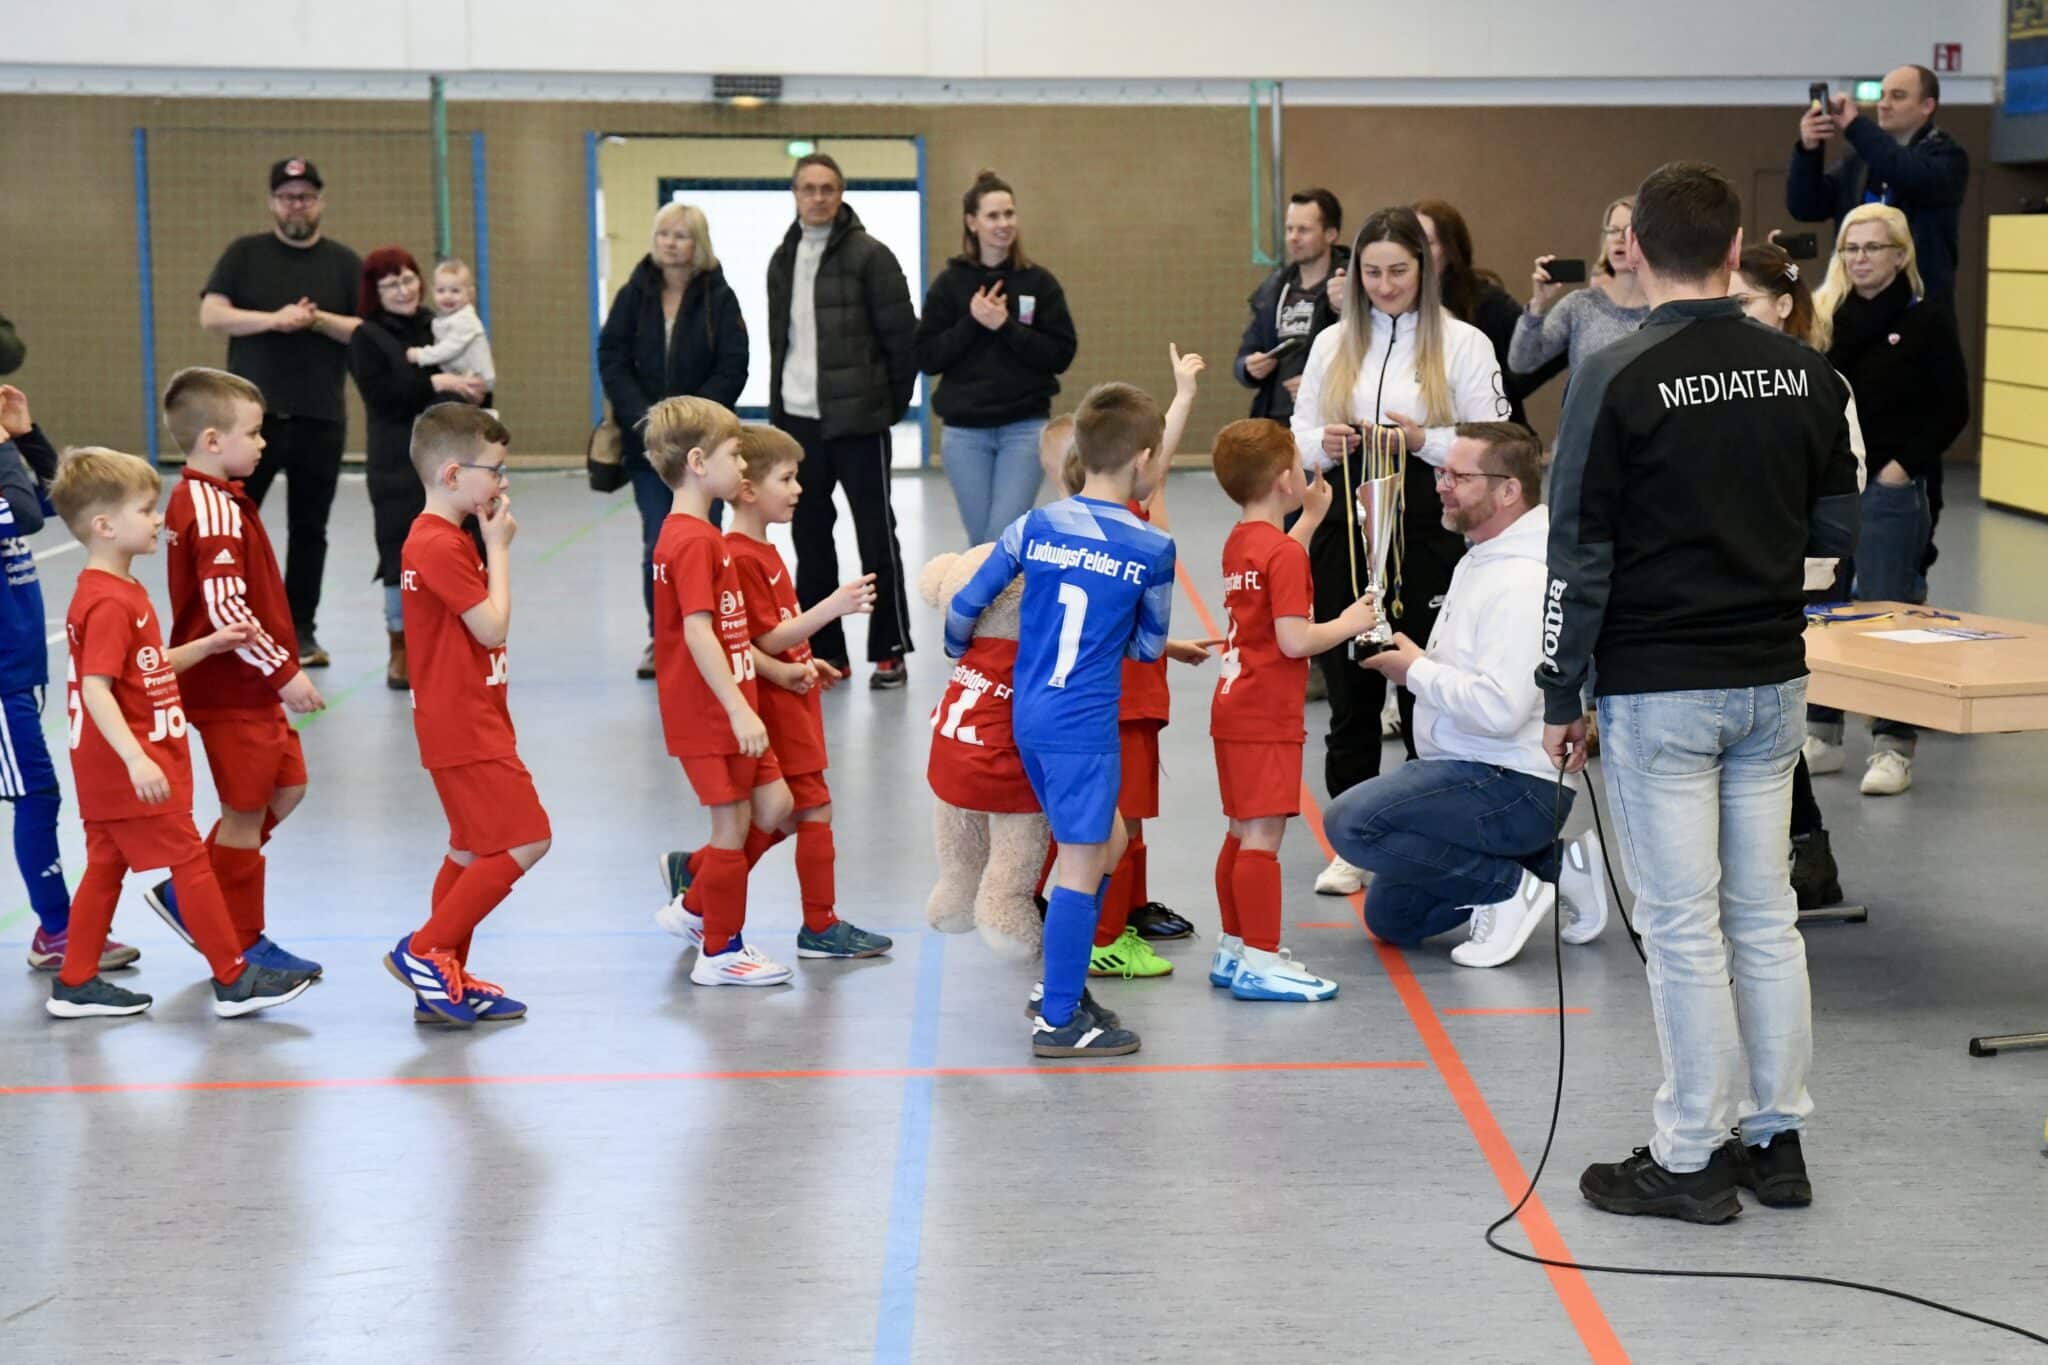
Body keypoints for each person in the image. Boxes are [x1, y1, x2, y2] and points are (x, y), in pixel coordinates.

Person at [1539, 161, 1860, 1223]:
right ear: (1734, 252)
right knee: (1763, 918)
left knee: (1681, 930)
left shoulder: (1614, 373)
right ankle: (1775, 1143)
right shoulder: (1808, 374)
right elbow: (1833, 535)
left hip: (1658, 687)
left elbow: (1576, 547)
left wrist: (1557, 687)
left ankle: (1687, 1156)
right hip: (1769, 682)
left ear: (1633, 250)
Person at [944, 382, 1176, 1058]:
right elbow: (1148, 645)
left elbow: (966, 601)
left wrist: (962, 651)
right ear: (1144, 458)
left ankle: (1063, 982)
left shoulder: (1035, 525)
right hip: (1084, 728)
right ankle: (1060, 1015)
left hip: (1032, 711)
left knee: (1110, 838)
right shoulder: (1151, 547)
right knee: (1081, 862)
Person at [46, 447, 319, 1019]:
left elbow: (141, 667)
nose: (157, 520)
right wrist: (135, 759)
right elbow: (96, 688)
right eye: (145, 510)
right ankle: (234, 976)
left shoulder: (120, 592)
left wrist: (210, 645)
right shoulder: (106, 602)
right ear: (104, 526)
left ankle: (75, 980)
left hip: (118, 766)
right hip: (132, 765)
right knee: (191, 863)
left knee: (105, 867)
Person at [1324, 423, 1609, 967]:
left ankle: (1507, 889)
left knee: (1350, 824)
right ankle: (1555, 867)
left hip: (1512, 781)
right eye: (1441, 472)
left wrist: (1416, 674)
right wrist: (1419, 662)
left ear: (1509, 490)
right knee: (1394, 919)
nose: (1441, 484)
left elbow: (1503, 710)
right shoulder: (1481, 554)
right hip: (1470, 766)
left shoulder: (1522, 578)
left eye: (1459, 475)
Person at [1292, 205, 1507, 897]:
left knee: (1427, 691)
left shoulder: (1465, 342)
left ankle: (1427, 839)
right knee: (1351, 693)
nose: (1385, 287)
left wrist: (1426, 442)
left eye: (1399, 271)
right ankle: (1352, 842)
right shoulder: (1331, 344)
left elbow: (1494, 440)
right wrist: (1318, 444)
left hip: (1429, 520)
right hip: (1347, 521)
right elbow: (1294, 435)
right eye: (1373, 273)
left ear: (1427, 268)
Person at [651, 424, 893, 962]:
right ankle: (804, 924)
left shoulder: (756, 549)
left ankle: (698, 880)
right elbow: (740, 637)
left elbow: (756, 637)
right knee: (808, 812)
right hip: (767, 711)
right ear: (748, 489)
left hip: (783, 698)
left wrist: (799, 666)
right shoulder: (729, 551)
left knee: (784, 814)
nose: (799, 487)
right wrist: (831, 609)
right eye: (786, 477)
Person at [139, 368, 327, 978]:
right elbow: (225, 608)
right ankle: (242, 942)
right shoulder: (211, 508)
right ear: (213, 441)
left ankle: (191, 896)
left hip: (247, 686)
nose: (263, 442)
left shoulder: (213, 498)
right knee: (245, 813)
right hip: (234, 689)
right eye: (254, 432)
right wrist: (283, 672)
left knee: (287, 788)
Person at [385, 405, 548, 1025]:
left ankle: (440, 980)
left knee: (469, 850)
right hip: (464, 724)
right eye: (496, 471)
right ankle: (425, 951)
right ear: (453, 473)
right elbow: (491, 626)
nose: (502, 484)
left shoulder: (442, 539)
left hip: (468, 716)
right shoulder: (437, 542)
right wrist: (498, 549)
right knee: (527, 838)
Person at [1803, 204, 1970, 799]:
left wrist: (1901, 469)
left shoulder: (1926, 320)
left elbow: (1953, 408)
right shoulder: (1824, 317)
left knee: (1889, 618)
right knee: (1821, 608)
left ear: (1901, 255)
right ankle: (1822, 732)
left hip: (1890, 489)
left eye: (1873, 248)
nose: (1860, 259)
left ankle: (1893, 745)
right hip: (1827, 490)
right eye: (1851, 248)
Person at [1207, 418, 1378, 1001]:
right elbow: (1294, 640)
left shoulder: (1243, 539)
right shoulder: (1280, 553)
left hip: (1233, 707)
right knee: (1263, 840)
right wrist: (1352, 622)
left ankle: (1235, 949)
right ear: (1286, 478)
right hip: (1265, 715)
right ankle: (1260, 959)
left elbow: (1275, 572)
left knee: (1239, 832)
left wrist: (1306, 521)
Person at [1727, 243, 1867, 907]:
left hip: (1792, 582)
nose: (1734, 317)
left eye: (1746, 303)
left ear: (1784, 307)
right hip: (1720, 582)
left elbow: (1844, 494)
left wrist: (1805, 573)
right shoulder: (1708, 377)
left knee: (1772, 722)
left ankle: (1808, 849)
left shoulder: (1822, 382)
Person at [641, 397, 795, 986]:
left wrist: (767, 677)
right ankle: (720, 951)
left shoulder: (697, 534)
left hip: (730, 703)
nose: (744, 468)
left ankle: (694, 908)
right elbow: (697, 631)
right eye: (736, 456)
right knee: (730, 830)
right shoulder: (693, 541)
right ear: (700, 462)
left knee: (776, 806)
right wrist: (736, 708)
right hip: (710, 713)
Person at [200, 157, 362, 668]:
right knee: (237, 526)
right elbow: (212, 315)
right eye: (289, 196)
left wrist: (315, 321)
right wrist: (275, 319)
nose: (298, 205)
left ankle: (301, 632)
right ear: (273, 202)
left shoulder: (343, 263)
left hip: (320, 417)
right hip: (251, 424)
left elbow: (365, 329)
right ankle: (230, 625)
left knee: (310, 529)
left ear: (321, 203)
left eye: (307, 196)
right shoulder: (243, 255)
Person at [0, 386, 140, 974]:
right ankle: (58, 928)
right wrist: (4, 447)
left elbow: (64, 502)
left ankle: (57, 927)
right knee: (37, 795)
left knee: (36, 794)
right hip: (1, 680)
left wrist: (27, 435)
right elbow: (28, 513)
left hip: (20, 669)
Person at [768, 153, 918, 690]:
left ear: (842, 193)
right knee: (810, 541)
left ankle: (889, 648)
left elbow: (904, 342)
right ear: (794, 194)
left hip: (859, 422)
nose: (818, 197)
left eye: (827, 188)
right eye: (808, 188)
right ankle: (827, 651)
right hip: (798, 424)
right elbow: (779, 340)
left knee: (876, 538)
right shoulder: (781, 259)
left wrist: (888, 409)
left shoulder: (871, 257)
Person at [598, 201, 747, 680]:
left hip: (706, 449)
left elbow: (733, 363)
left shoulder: (719, 297)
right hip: (647, 447)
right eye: (664, 234)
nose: (671, 243)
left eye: (682, 235)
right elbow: (612, 356)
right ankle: (661, 638)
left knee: (706, 542)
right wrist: (647, 420)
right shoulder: (633, 293)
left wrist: (696, 422)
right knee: (657, 544)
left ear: (697, 243)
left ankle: (709, 634)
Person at [347, 247, 488, 690]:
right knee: (399, 551)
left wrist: (472, 387)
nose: (404, 290)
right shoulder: (366, 337)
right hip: (396, 461)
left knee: (466, 543)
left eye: (409, 279)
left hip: (451, 458)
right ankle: (401, 647)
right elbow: (386, 396)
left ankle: (471, 633)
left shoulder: (438, 322)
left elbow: (471, 368)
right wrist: (438, 381)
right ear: (375, 291)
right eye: (391, 284)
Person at [917, 169, 1078, 546]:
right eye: (993, 216)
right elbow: (927, 357)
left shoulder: (1039, 283)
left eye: (1009, 214)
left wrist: (1006, 326)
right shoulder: (949, 285)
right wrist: (973, 322)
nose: (1003, 224)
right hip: (965, 433)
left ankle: (1005, 606)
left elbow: (1060, 354)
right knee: (982, 543)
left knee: (1003, 536)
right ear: (972, 223)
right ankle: (995, 607)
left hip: (1023, 428)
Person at [1787, 65, 1969, 304]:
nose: (1883, 104)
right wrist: (1809, 150)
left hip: (1917, 308)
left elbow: (1907, 173)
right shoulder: (1861, 162)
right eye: (1882, 95)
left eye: (1897, 96)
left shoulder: (1947, 157)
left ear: (1927, 106)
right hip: (1856, 303)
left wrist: (1856, 127)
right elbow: (1806, 206)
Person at [1413, 199, 1561, 432]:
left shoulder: (1485, 300)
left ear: (1450, 250)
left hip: (1486, 435)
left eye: (1428, 243)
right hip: (1421, 434)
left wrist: (1496, 391)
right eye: (1411, 242)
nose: (1417, 252)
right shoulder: (1397, 301)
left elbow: (1544, 357)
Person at [1234, 189, 1348, 425]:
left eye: (1303, 230)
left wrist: (1320, 383)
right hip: (1274, 419)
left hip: (1328, 421)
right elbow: (1244, 355)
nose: (1293, 237)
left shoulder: (1352, 284)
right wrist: (1249, 367)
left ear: (1330, 234)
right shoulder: (1272, 289)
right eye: (1289, 229)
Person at [1509, 196, 1650, 385]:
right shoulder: (1580, 305)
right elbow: (1522, 362)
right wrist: (1538, 305)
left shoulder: (1663, 309)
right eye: (1613, 230)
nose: (1619, 238)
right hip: (1587, 414)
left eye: (1628, 230)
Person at [407, 259, 496, 395]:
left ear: (469, 293)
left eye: (455, 291)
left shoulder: (466, 320)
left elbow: (449, 348)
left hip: (478, 377)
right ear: (433, 292)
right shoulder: (442, 318)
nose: (447, 296)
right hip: (459, 375)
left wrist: (421, 355)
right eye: (441, 291)